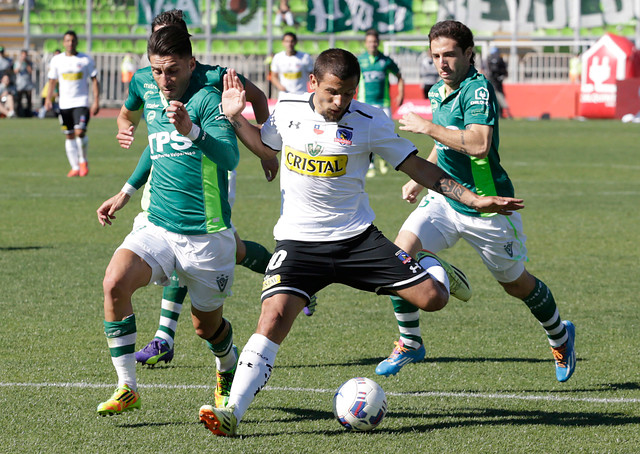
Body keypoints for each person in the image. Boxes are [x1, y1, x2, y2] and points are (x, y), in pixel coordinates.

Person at [197, 49, 524, 436]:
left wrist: (471, 199)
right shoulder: (286, 109)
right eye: (333, 92)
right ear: (312, 84)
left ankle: (436, 268)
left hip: (357, 241)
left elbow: (418, 166)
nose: (341, 102)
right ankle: (233, 411)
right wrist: (235, 117)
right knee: (271, 318)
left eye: (349, 93)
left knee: (434, 299)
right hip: (299, 244)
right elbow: (268, 149)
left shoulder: (370, 120)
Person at [375, 20, 576, 384]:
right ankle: (410, 342)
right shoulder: (439, 91)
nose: (442, 62)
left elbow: (478, 142)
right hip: (446, 196)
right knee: (399, 255)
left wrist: (427, 127)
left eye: (450, 54)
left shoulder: (477, 89)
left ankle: (560, 335)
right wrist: (419, 181)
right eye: (436, 55)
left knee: (515, 284)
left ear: (469, 53)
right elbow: (445, 141)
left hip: (488, 205)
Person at [95, 25, 268, 416]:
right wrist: (125, 192)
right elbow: (154, 147)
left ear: (191, 64)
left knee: (207, 328)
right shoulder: (152, 94)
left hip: (206, 235)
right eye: (157, 71)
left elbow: (230, 158)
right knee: (114, 283)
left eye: (172, 70)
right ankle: (127, 386)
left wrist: (190, 130)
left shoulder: (207, 100)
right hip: (156, 226)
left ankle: (227, 367)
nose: (163, 80)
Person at [45, 31, 100, 177]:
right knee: (69, 135)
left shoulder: (85, 59)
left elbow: (94, 80)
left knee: (80, 131)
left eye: (73, 41)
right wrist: (48, 99)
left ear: (77, 42)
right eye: (67, 41)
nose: (70, 43)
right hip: (64, 104)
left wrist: (96, 101)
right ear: (63, 43)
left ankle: (83, 161)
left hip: (80, 102)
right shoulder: (57, 60)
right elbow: (52, 81)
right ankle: (75, 167)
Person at [357, 28, 404, 178]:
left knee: (385, 133)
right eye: (370, 41)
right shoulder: (360, 60)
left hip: (384, 102)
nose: (373, 44)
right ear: (366, 43)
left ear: (378, 43)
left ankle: (383, 160)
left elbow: (399, 76)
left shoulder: (386, 60)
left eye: (375, 41)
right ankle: (370, 165)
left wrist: (401, 93)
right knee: (366, 135)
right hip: (365, 102)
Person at [485, 47, 511, 119]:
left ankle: (502, 113)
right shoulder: (500, 59)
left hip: (493, 81)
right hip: (497, 81)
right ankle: (505, 112)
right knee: (499, 96)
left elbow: (487, 71)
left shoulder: (489, 59)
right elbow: (505, 72)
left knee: (496, 97)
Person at [13, 49, 34, 117]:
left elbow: (31, 71)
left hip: (28, 84)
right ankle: (19, 113)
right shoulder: (17, 62)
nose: (24, 56)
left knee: (29, 100)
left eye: (25, 55)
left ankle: (29, 114)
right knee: (19, 100)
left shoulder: (29, 63)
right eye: (23, 55)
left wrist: (27, 64)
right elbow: (15, 71)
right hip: (20, 84)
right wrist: (21, 63)